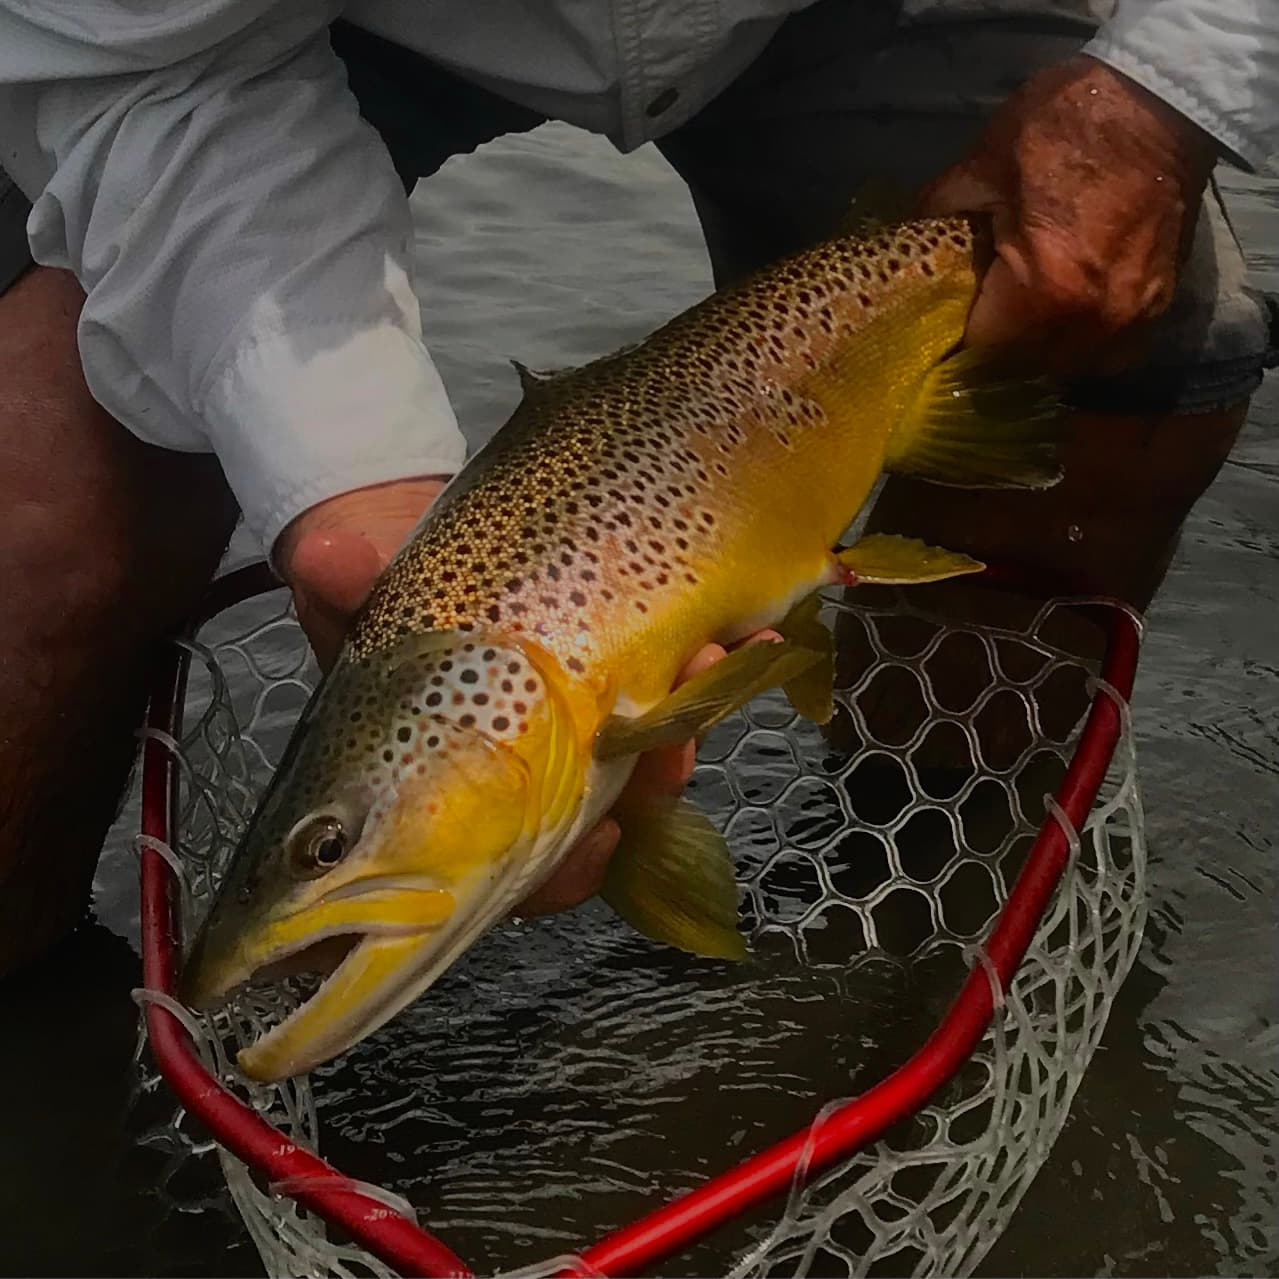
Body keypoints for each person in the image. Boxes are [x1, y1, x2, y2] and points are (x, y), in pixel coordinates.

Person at [0, 0, 1274, 977]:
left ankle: (922, 916)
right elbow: (149, 72)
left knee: (1124, 389)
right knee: (35, 519)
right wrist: (345, 481)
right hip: (313, 30)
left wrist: (1157, 100)